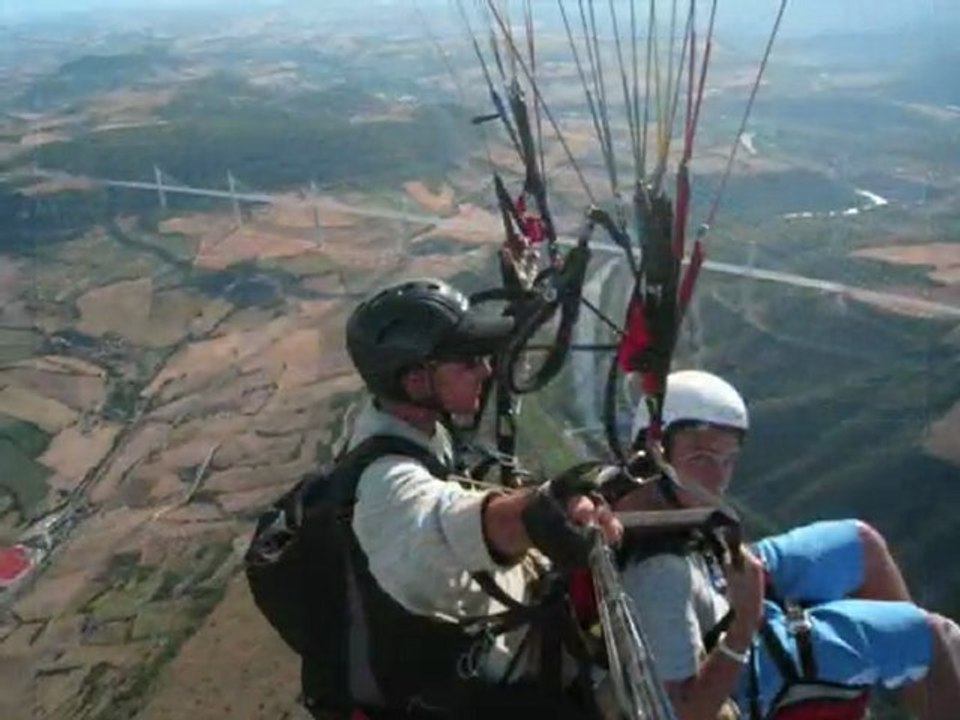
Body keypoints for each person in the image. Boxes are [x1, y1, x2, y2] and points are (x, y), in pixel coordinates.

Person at [329, 277, 622, 719]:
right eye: (467, 361)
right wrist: (533, 515)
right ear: (414, 380)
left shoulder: (421, 433)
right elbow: (435, 527)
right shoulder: (383, 484)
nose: (486, 369)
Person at [617, 369, 960, 720]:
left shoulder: (640, 496)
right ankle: (912, 661)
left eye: (728, 460)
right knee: (934, 636)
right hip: (747, 658)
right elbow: (683, 713)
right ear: (656, 450)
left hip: (716, 582)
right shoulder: (660, 575)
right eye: (701, 457)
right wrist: (745, 624)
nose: (718, 478)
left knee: (862, 543)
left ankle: (911, 673)